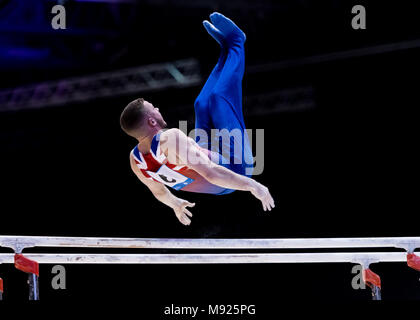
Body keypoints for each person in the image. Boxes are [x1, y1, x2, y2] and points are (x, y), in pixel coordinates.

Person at [120, 12, 274, 225]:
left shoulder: (135, 160)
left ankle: (225, 50)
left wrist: (175, 204)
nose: (157, 108)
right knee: (220, 99)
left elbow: (158, 191)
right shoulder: (170, 138)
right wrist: (252, 185)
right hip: (234, 167)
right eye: (152, 108)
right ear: (151, 122)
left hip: (212, 160)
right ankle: (237, 41)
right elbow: (211, 173)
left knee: (201, 104)